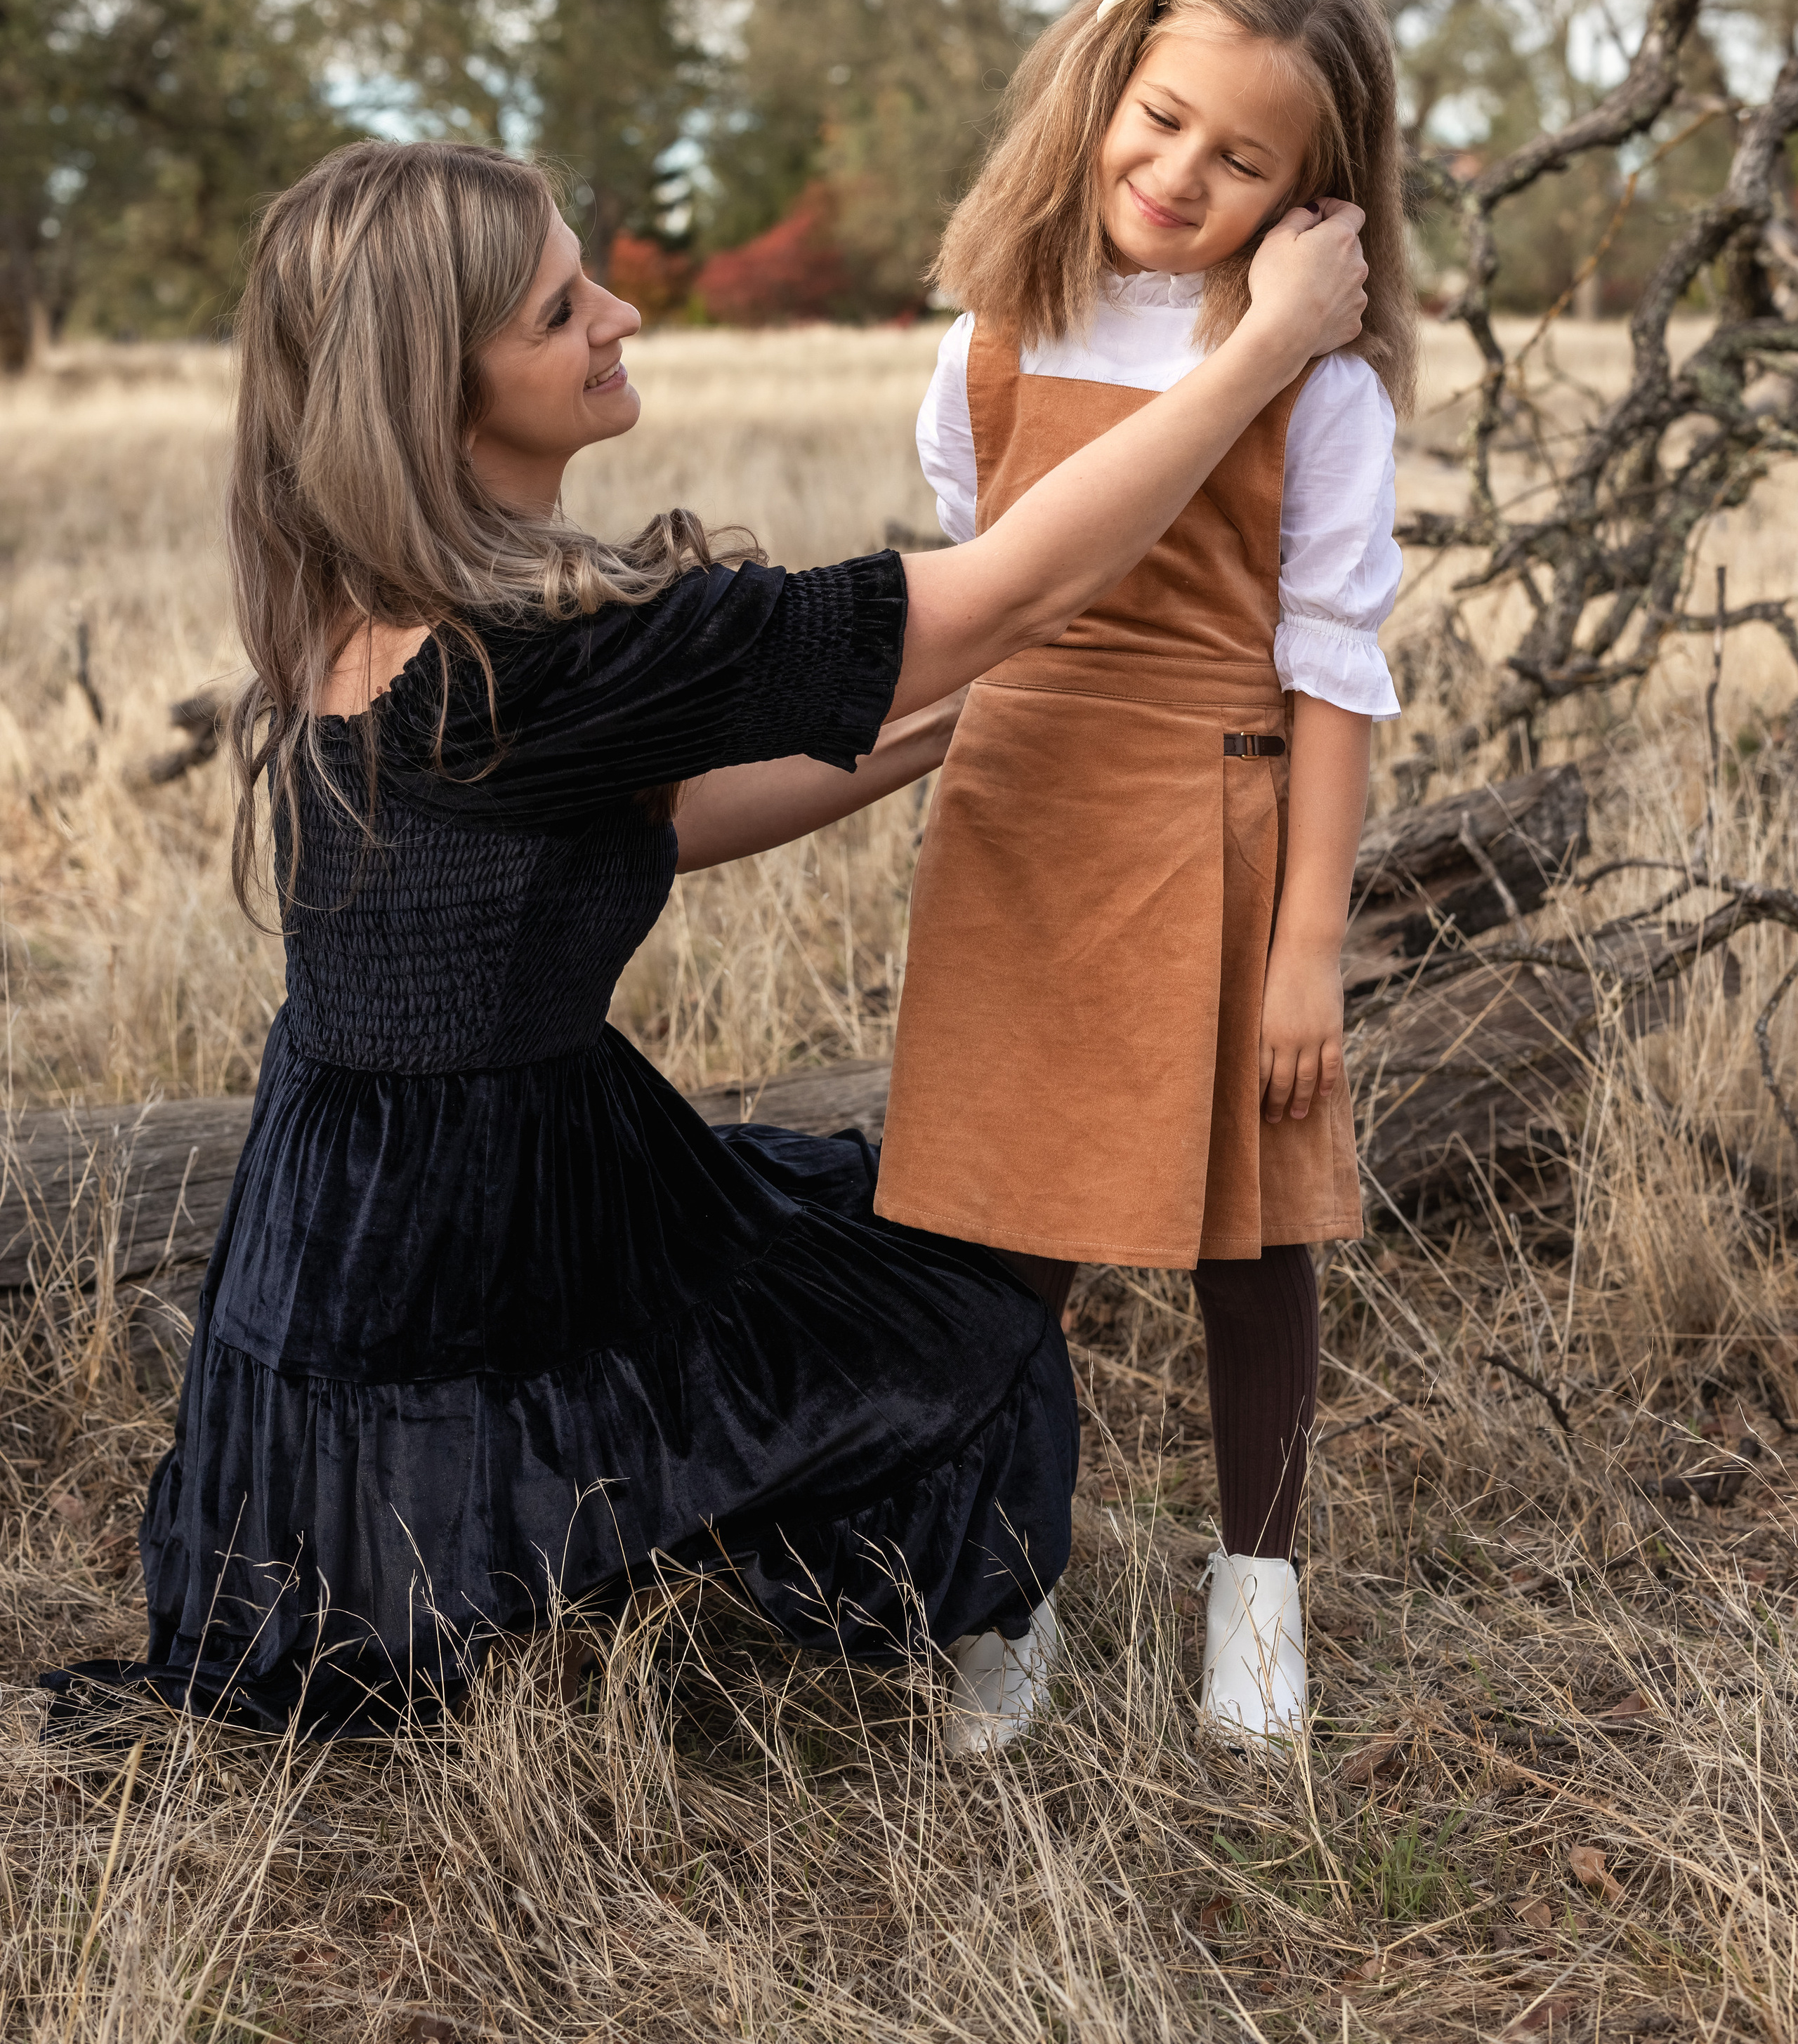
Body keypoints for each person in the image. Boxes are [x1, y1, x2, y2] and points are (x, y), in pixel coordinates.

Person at [43, 136, 1366, 1745]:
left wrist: (947, 732)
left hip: (346, 1214)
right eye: (556, 309)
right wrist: (1269, 341)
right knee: (951, 1327)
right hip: (480, 1229)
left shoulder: (371, 600)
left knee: (798, 1293)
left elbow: (641, 828)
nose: (619, 313)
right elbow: (1015, 583)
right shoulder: (551, 653)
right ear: (436, 389)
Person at [875, 0, 1417, 1743]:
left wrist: (1311, 948)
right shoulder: (988, 347)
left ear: (1314, 200)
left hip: (1220, 818)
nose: (1180, 176)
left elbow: (1336, 669)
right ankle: (998, 1582)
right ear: (1103, 88)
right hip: (1025, 820)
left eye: (1243, 160)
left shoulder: (1316, 385)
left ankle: (1256, 1602)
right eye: (1162, 120)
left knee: (1250, 1240)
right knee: (1004, 1230)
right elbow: (973, 603)